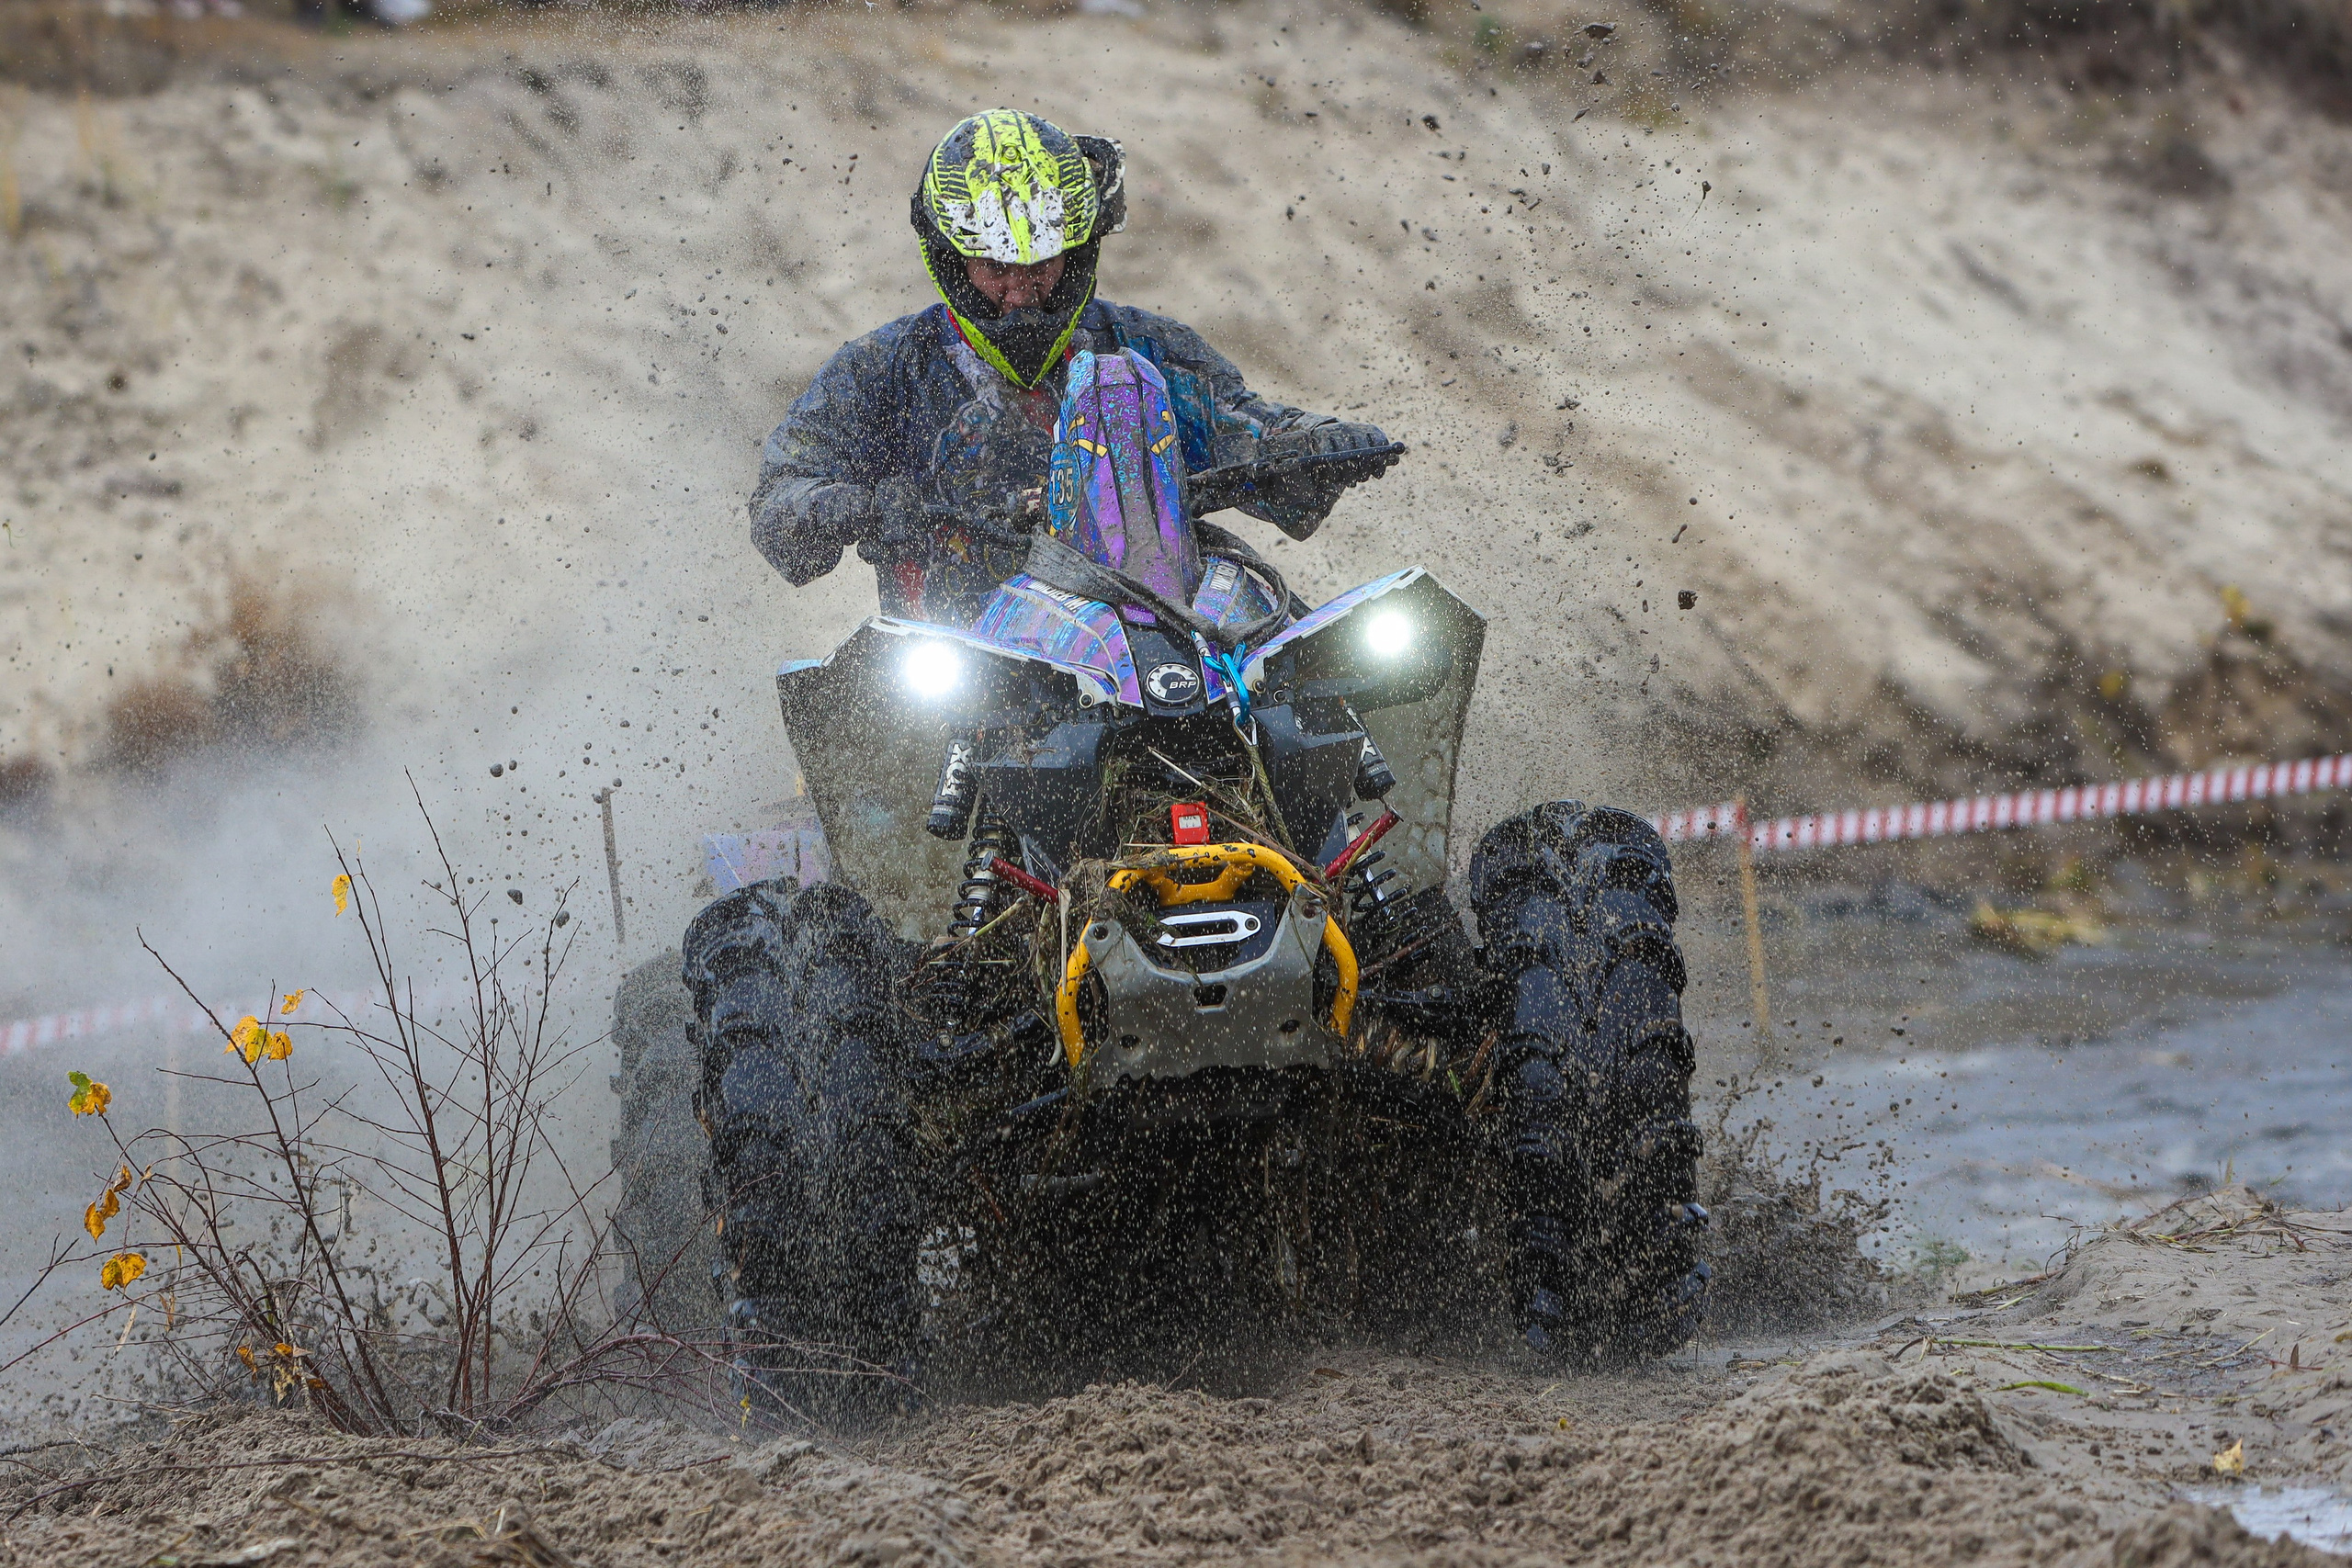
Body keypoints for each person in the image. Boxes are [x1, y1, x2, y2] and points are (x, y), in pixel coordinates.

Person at [749, 109, 1396, 626]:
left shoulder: (1147, 348)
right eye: (997, 267)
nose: (1021, 292)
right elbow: (779, 498)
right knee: (850, 716)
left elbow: (1246, 423)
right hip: (961, 664)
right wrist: (852, 507)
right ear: (952, 260)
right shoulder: (883, 369)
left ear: (1077, 253)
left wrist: (1313, 443)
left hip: (1148, 634)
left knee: (1313, 667)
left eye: (1040, 264)